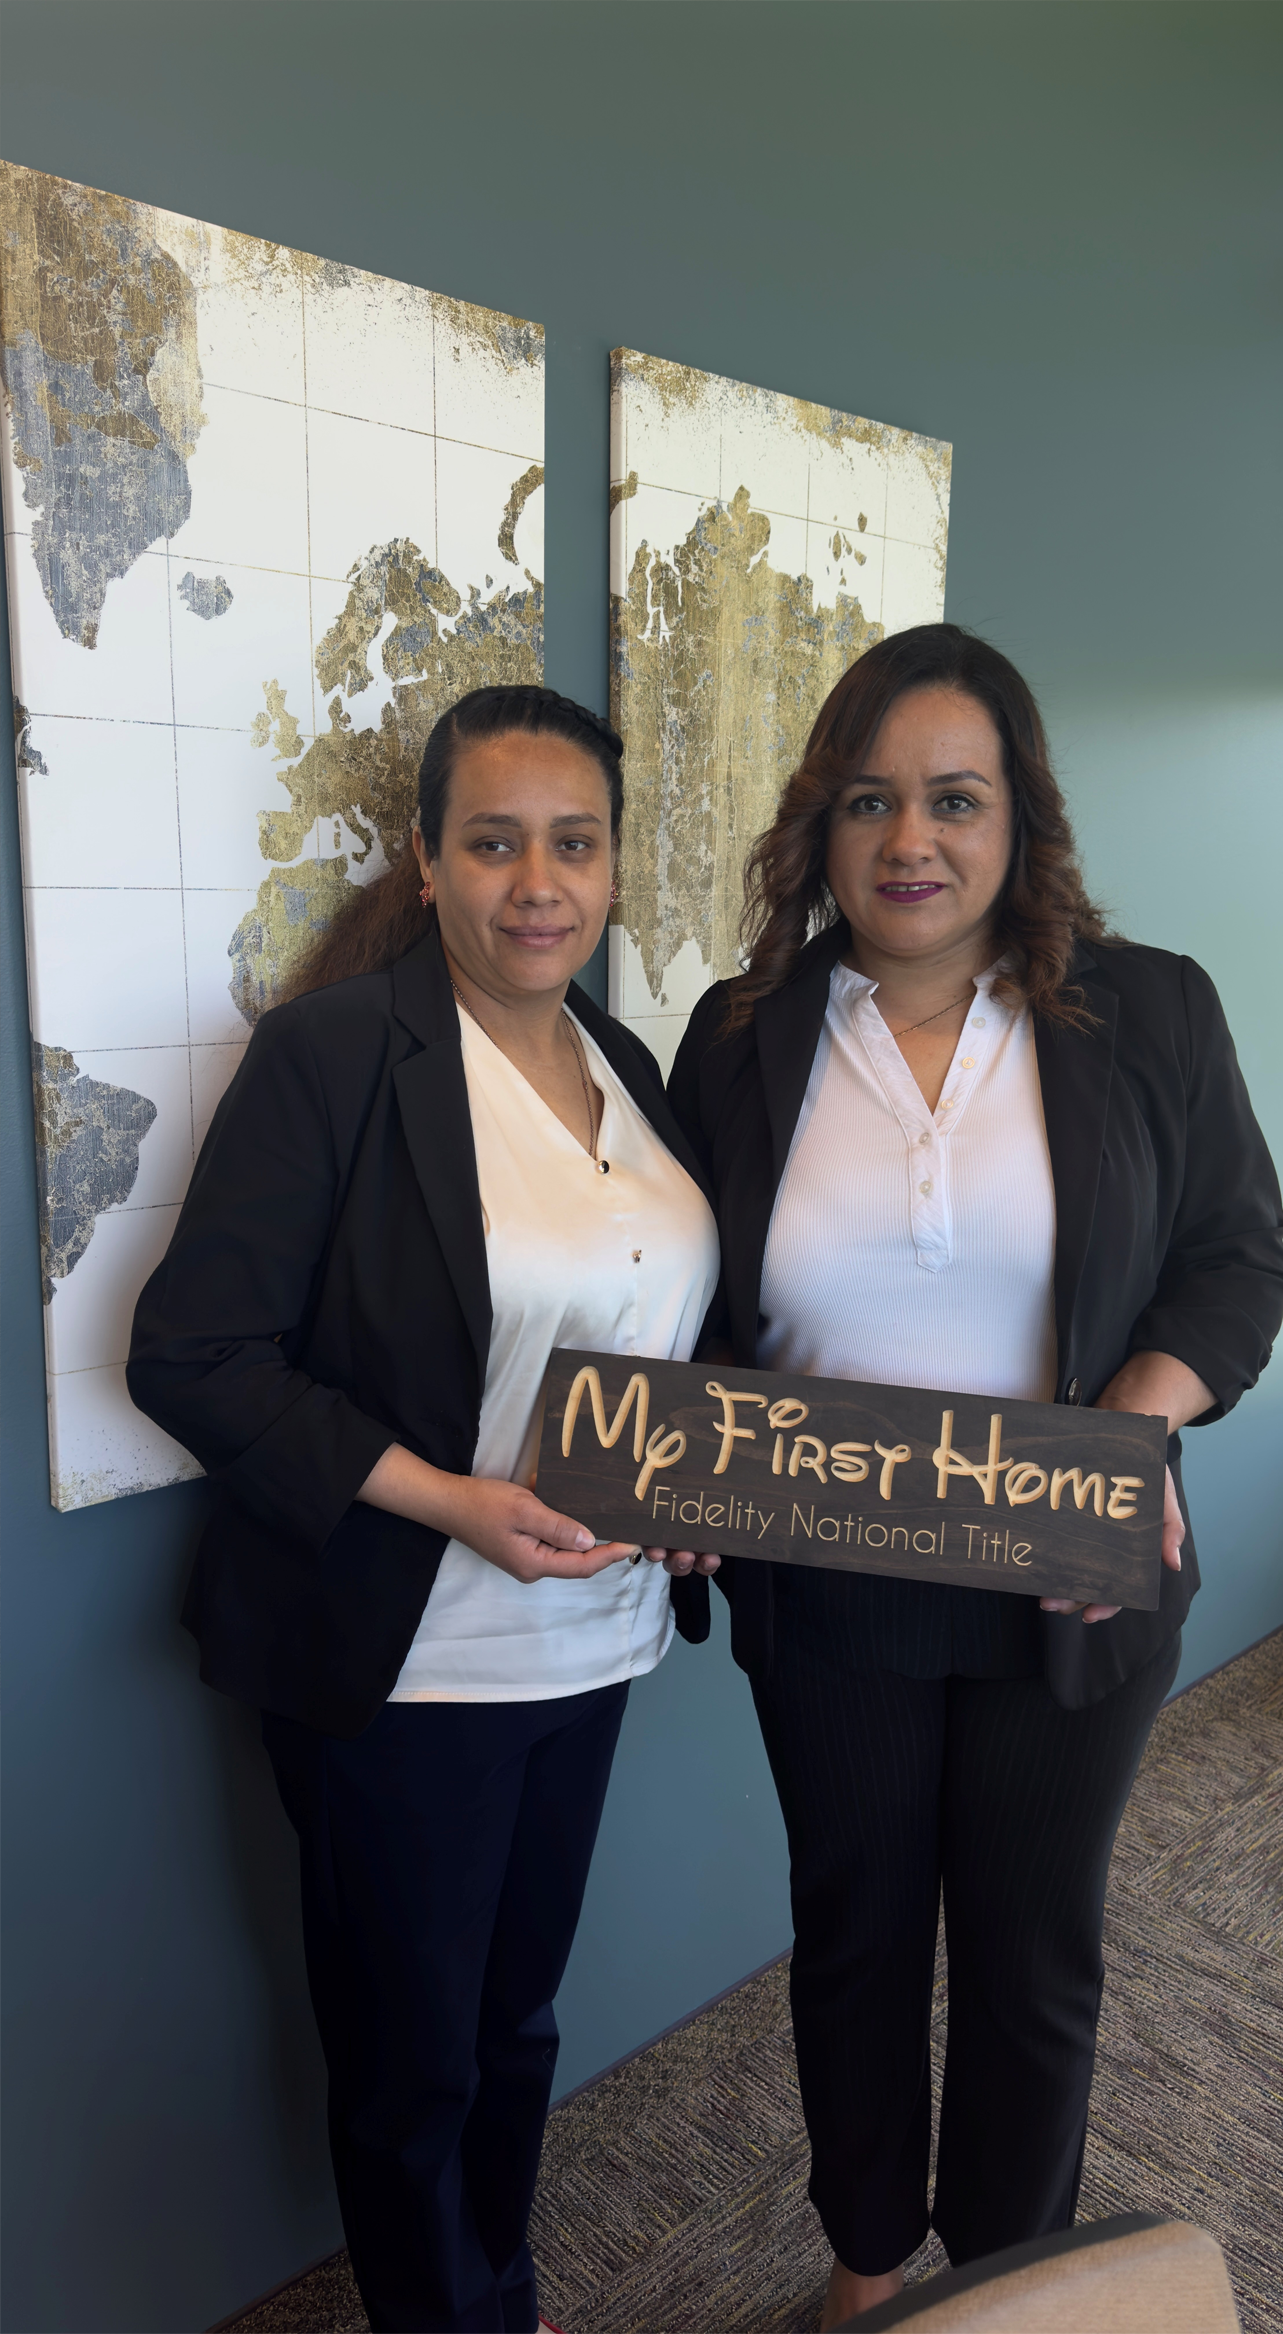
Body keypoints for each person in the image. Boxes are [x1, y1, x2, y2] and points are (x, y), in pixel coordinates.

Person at [666, 624, 1283, 2326]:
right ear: (822, 822)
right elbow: (690, 1296)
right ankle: (871, 2272)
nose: (909, 841)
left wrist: (1143, 1416)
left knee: (1030, 1956)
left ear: (1020, 820)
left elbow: (1237, 1258)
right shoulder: (739, 1033)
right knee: (856, 1935)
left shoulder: (1146, 1006)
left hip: (1061, 1566)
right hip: (827, 1575)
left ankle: (1005, 2286)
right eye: (869, 801)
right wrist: (686, 1454)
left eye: (953, 798)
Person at [127, 685, 721, 2334]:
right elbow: (191, 1353)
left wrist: (691, 1491)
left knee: (518, 2021)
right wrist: (452, 1500)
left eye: (575, 843)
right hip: (409, 1667)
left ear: (610, 866)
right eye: (494, 841)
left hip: (592, 1646)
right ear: (429, 858)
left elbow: (642, 1333)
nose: (539, 881)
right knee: (414, 2061)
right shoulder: (339, 1054)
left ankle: (499, 2295)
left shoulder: (623, 1058)